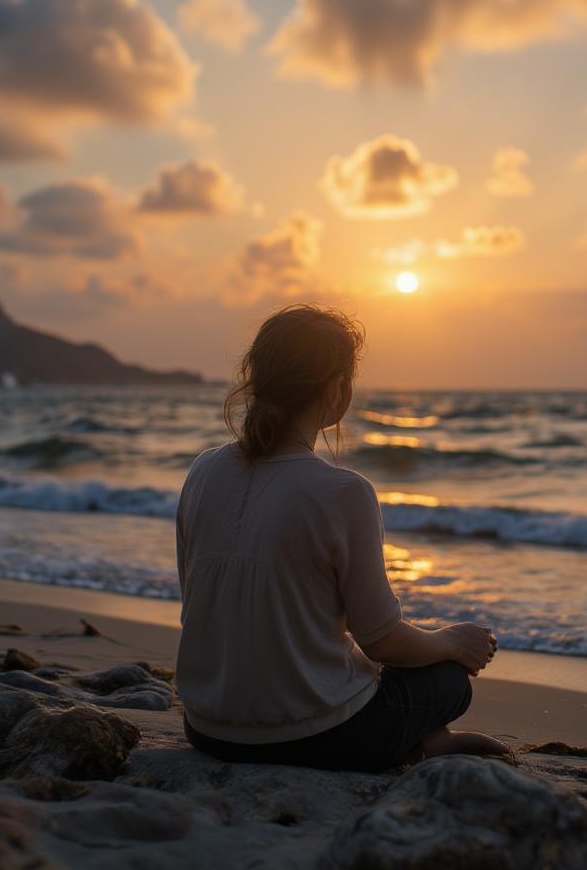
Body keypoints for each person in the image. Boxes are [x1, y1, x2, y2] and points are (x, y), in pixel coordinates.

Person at [175, 302, 512, 771]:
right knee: (451, 683)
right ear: (337, 390)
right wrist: (452, 643)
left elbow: (198, 600)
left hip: (208, 728)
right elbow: (382, 641)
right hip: (316, 738)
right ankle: (426, 744)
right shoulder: (344, 492)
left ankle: (422, 739)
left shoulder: (203, 470)